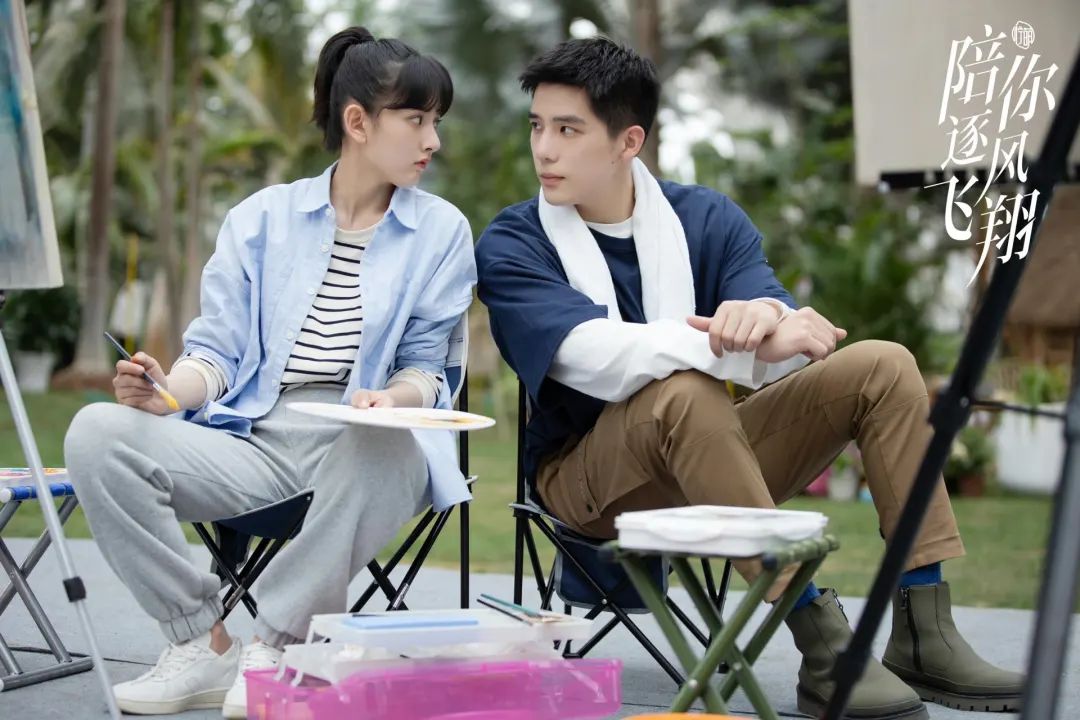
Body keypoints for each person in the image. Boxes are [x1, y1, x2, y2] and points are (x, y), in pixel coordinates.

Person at [475, 37, 1023, 719]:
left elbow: (792, 340)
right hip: (588, 484)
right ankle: (824, 645)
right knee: (683, 391)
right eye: (537, 126)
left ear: (628, 142)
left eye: (567, 129)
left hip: (713, 455)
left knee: (883, 365)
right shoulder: (515, 242)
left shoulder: (705, 218)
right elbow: (592, 356)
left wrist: (766, 318)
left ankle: (925, 631)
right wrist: (738, 348)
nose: (544, 150)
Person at [63, 26, 475, 718]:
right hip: (255, 442)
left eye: (436, 121)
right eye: (416, 119)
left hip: (371, 450)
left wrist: (391, 398)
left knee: (387, 442)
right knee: (96, 433)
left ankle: (279, 645)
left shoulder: (442, 231)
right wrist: (167, 394)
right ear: (358, 123)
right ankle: (201, 642)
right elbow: (217, 353)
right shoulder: (261, 219)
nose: (432, 139)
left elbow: (429, 369)